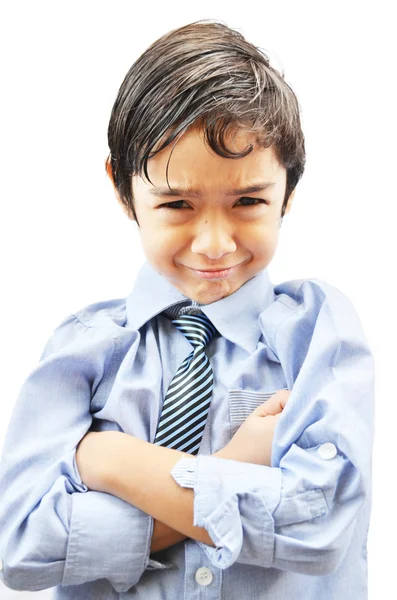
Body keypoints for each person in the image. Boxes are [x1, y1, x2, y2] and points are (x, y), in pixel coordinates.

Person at [0, 19, 374, 600]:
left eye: (249, 200)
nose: (214, 244)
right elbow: (19, 543)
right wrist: (233, 466)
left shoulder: (314, 331)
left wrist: (112, 461)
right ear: (124, 190)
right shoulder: (83, 348)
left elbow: (320, 525)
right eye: (176, 203)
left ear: (289, 192)